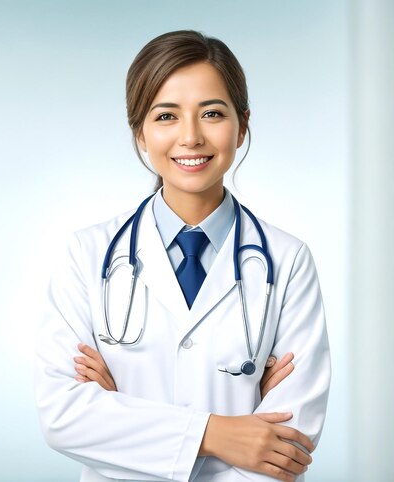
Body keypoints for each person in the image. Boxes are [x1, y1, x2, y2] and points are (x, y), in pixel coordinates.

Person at [35, 30, 330, 482]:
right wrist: (216, 432)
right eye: (166, 116)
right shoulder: (88, 255)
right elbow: (64, 417)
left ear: (243, 124)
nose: (190, 137)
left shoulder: (287, 261)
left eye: (212, 113)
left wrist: (121, 411)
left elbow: (287, 445)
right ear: (140, 131)